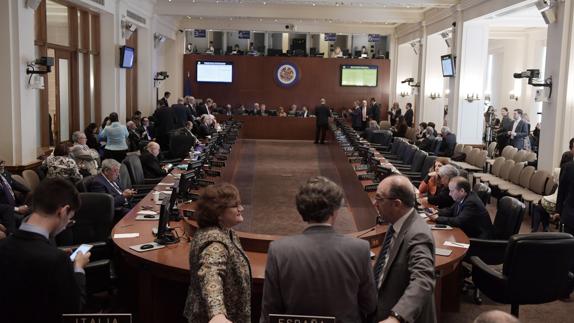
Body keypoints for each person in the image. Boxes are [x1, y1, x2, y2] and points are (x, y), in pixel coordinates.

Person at [260, 176, 376, 322]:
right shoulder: (359, 249)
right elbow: (369, 304)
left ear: (301, 211)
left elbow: (270, 309)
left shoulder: (279, 250)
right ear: (334, 211)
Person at [0, 178, 90, 323]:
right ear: (64, 211)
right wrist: (78, 269)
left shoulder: (3, 246)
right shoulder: (56, 260)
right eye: (69, 218)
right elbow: (72, 311)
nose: (67, 225)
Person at [184, 183, 251, 323]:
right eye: (235, 206)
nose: (241, 208)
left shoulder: (225, 231)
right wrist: (217, 314)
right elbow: (210, 274)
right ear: (218, 213)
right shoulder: (215, 243)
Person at [373, 175, 436, 323]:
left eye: (379, 199)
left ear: (396, 204)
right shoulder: (397, 222)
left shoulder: (418, 234)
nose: (375, 203)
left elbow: (423, 279)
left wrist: (397, 317)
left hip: (400, 314)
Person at [428, 176, 495, 239]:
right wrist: (437, 212)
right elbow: (451, 210)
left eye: (451, 191)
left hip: (479, 241)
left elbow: (458, 221)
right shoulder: (463, 197)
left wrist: (437, 218)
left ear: (462, 191)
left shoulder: (471, 202)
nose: (449, 194)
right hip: (467, 232)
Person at [0, 160, 30, 234]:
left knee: (34, 213)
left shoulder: (5, 174)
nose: (1, 165)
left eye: (2, 162)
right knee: (26, 221)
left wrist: (29, 192)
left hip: (16, 206)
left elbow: (21, 187)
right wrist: (17, 209)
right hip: (5, 212)